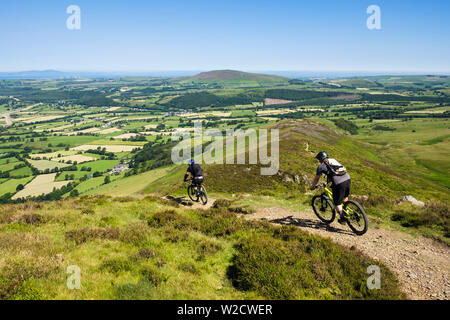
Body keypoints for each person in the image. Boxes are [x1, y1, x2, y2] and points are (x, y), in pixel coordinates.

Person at [310, 151, 351, 224]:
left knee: (337, 203)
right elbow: (334, 170)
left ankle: (342, 218)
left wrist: (312, 187)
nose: (318, 161)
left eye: (319, 159)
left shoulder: (320, 166)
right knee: (345, 197)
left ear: (320, 159)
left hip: (339, 183)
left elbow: (317, 179)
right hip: (347, 178)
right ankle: (347, 212)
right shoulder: (333, 160)